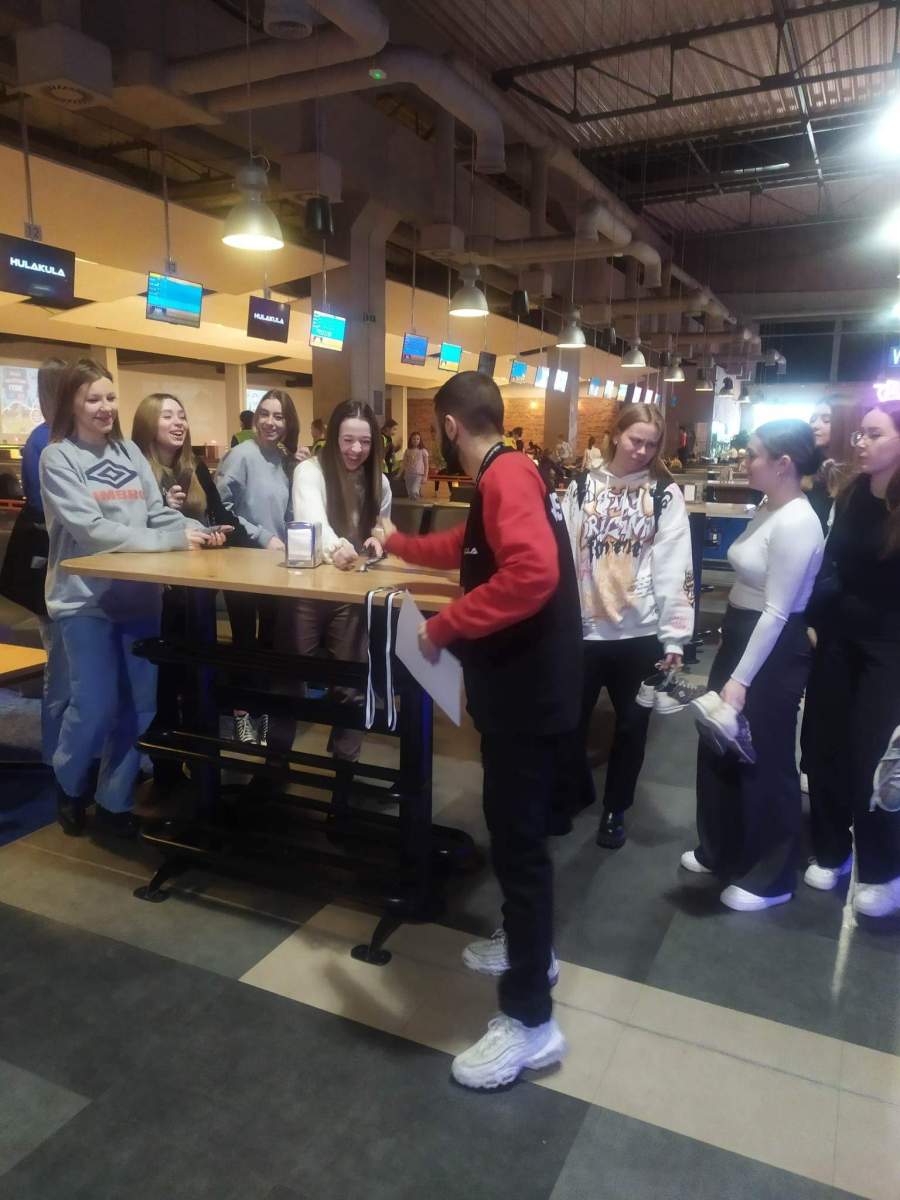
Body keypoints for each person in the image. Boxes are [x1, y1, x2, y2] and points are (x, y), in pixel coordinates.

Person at [371, 371, 582, 1091]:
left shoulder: (507, 476)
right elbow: (469, 546)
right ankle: (529, 949)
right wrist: (400, 545)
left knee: (520, 849)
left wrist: (445, 627)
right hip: (525, 692)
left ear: (450, 427)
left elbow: (531, 574)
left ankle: (531, 1022)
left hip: (526, 697)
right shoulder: (506, 474)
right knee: (516, 837)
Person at [39, 359, 221, 837]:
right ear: (71, 404)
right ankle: (69, 782)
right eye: (92, 399)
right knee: (94, 704)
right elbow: (92, 531)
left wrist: (197, 529)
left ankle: (115, 800)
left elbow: (157, 514)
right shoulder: (59, 458)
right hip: (84, 601)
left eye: (110, 397)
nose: (104, 407)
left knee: (138, 707)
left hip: (140, 599)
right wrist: (171, 540)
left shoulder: (129, 453)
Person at [682, 420, 824, 911]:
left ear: (783, 464)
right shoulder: (768, 507)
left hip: (773, 648)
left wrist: (740, 679)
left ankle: (772, 876)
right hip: (743, 635)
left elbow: (778, 611)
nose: (745, 462)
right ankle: (721, 847)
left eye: (754, 454)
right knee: (720, 745)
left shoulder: (798, 521)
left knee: (765, 756)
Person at [563, 404, 694, 848]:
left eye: (651, 444)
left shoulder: (664, 495)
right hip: (584, 631)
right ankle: (573, 791)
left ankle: (615, 808)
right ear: (616, 434)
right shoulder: (582, 487)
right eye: (636, 440)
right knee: (569, 722)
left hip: (640, 634)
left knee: (632, 728)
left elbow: (676, 567)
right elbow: (565, 556)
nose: (642, 451)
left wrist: (675, 637)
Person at [802, 401, 900, 916]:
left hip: (889, 647)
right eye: (860, 433)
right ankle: (831, 848)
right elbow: (831, 563)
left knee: (874, 758)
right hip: (839, 637)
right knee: (822, 744)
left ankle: (884, 869)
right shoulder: (853, 493)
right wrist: (815, 619)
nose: (861, 442)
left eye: (875, 434)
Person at [132, 392, 245, 760]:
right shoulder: (137, 468)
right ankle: (165, 764)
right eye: (168, 416)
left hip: (197, 588)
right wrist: (165, 511)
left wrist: (219, 532)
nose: (178, 423)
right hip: (156, 592)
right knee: (164, 677)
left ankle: (204, 759)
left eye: (181, 416)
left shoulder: (194, 466)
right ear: (148, 423)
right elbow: (132, 528)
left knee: (200, 674)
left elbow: (217, 513)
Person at [288, 400, 391, 761]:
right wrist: (337, 547)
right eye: (348, 440)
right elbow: (312, 521)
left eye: (365, 442)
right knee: (289, 679)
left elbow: (382, 525)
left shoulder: (378, 481)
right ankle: (275, 763)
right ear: (333, 438)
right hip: (305, 588)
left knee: (351, 683)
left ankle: (345, 768)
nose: (356, 449)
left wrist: (378, 538)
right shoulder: (310, 471)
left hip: (350, 592)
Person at [216, 388, 298, 743]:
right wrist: (264, 537)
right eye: (264, 414)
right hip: (243, 564)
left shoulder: (283, 459)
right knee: (244, 642)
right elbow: (222, 510)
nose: (270, 422)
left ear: (288, 423)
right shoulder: (240, 456)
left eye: (278, 416)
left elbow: (286, 512)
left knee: (268, 642)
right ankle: (241, 714)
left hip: (275, 567)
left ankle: (262, 710)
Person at [0, 357, 68, 762]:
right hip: (55, 570)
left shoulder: (44, 438)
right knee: (60, 666)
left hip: (54, 571)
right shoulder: (48, 440)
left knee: (61, 666)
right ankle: (56, 754)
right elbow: (48, 507)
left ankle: (60, 751)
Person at [806, 396, 857, 533]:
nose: (815, 426)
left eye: (826, 420)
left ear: (844, 424)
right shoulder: (806, 463)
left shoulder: (856, 473)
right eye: (813, 419)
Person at [402, 431, 429, 499]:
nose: (416, 440)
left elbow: (426, 465)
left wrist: (425, 476)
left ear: (420, 440)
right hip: (408, 475)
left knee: (414, 491)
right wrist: (400, 474)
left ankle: (417, 502)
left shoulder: (423, 451)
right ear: (411, 440)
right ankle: (414, 504)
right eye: (414, 439)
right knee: (410, 494)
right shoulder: (407, 451)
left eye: (417, 439)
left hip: (418, 475)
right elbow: (404, 463)